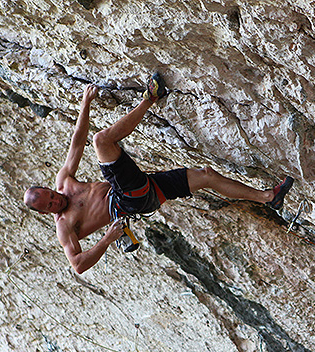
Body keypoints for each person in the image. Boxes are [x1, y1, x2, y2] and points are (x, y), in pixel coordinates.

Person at [23, 75, 294, 274]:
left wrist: (85, 104)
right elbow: (78, 265)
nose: (55, 201)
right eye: (49, 206)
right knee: (102, 141)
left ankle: (268, 197)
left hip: (146, 192)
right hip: (129, 199)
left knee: (207, 175)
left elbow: (75, 143)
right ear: (46, 213)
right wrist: (107, 239)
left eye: (50, 196)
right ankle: (150, 98)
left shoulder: (65, 181)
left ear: (49, 188)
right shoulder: (64, 226)